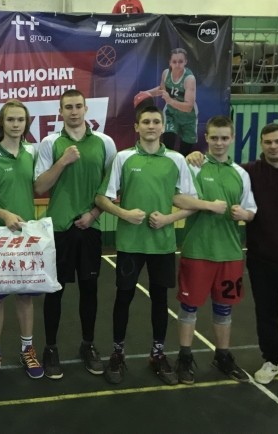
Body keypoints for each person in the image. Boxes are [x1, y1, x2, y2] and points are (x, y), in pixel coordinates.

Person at [189, 123, 278, 404]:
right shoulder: (249, 172)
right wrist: (194, 157)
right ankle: (271, 361)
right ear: (262, 144)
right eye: (268, 142)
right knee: (265, 316)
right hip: (261, 262)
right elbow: (222, 167)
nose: (273, 147)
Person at [95, 106, 218, 386]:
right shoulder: (123, 158)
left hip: (162, 244)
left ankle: (158, 354)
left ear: (163, 127)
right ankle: (117, 353)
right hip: (130, 243)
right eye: (146, 122)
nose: (151, 126)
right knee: (123, 297)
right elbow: (102, 198)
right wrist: (124, 214)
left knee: (160, 301)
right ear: (137, 127)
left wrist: (168, 219)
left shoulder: (176, 159)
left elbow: (190, 201)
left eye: (156, 122)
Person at [34, 89, 116, 379]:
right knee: (55, 291)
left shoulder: (105, 142)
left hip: (91, 227)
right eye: (68, 107)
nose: (73, 111)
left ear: (85, 109)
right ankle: (50, 348)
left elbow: (111, 186)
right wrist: (63, 161)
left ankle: (88, 345)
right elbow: (40, 186)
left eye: (78, 106)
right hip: (59, 229)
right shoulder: (50, 143)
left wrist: (93, 214)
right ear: (60, 111)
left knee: (89, 290)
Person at [172, 116, 257, 385]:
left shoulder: (240, 173)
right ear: (206, 138)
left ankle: (222, 356)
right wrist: (208, 205)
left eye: (224, 138)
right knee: (189, 308)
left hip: (230, 253)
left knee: (224, 309)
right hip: (198, 250)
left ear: (232, 139)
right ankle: (185, 357)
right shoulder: (194, 166)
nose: (219, 143)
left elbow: (251, 210)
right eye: (214, 137)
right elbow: (177, 198)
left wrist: (245, 214)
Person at [0, 100, 45, 384]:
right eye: (11, 120)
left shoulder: (33, 152)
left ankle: (28, 350)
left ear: (26, 123)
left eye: (20, 120)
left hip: (26, 239)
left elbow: (41, 185)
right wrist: (4, 215)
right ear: (1, 123)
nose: (16, 124)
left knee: (26, 297)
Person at [141, 48, 198, 156]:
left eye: (180, 61)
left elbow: (188, 107)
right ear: (170, 62)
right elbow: (161, 89)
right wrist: (146, 93)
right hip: (171, 114)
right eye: (174, 62)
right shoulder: (166, 73)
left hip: (187, 117)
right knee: (168, 144)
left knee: (184, 153)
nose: (177, 65)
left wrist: (170, 100)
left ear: (185, 62)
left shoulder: (189, 79)